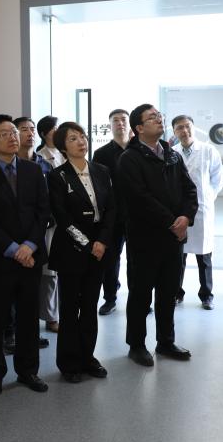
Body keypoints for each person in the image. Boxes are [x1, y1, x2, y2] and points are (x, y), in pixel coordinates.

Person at [0, 115, 51, 395]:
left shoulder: (33, 170)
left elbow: (43, 212)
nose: (12, 137)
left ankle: (28, 371)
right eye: (4, 134)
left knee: (29, 319)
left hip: (31, 257)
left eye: (14, 132)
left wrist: (30, 245)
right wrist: (15, 249)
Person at [118, 104, 198, 366]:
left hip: (173, 238)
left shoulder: (172, 155)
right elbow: (139, 198)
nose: (159, 119)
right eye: (151, 117)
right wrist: (172, 221)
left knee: (167, 292)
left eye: (159, 116)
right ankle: (136, 345)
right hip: (145, 238)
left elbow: (190, 190)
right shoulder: (130, 159)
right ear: (139, 128)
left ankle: (165, 341)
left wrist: (186, 217)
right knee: (140, 294)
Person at [47, 122, 115, 383]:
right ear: (63, 147)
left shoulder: (101, 170)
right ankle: (69, 362)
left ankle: (88, 357)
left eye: (82, 137)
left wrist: (103, 241)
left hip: (100, 248)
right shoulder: (57, 176)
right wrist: (88, 244)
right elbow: (62, 217)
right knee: (69, 308)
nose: (81, 141)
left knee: (89, 306)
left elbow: (111, 209)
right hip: (71, 250)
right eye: (73, 138)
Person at [170, 115, 223, 310]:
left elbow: (217, 180)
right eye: (179, 128)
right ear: (174, 132)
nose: (185, 131)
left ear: (194, 127)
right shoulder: (172, 153)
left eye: (188, 126)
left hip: (202, 211)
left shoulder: (208, 151)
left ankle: (206, 295)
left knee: (204, 257)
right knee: (179, 256)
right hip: (179, 212)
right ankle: (177, 292)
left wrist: (207, 198)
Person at [13, 115, 52, 351]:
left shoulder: (44, 165)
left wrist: (32, 243)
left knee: (34, 290)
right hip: (9, 243)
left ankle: (31, 333)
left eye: (32, 129)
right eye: (23, 129)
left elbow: (47, 206)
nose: (29, 133)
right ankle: (10, 334)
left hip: (37, 237)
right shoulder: (5, 166)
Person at [92, 108, 131, 315]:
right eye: (115, 120)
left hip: (137, 215)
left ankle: (140, 298)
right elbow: (99, 187)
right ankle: (110, 298)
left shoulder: (139, 149)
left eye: (123, 119)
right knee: (110, 259)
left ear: (130, 123)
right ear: (110, 125)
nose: (120, 123)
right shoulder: (101, 154)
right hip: (113, 216)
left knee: (138, 260)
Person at [35, 115, 63, 334]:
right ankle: (51, 317)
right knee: (51, 272)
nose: (58, 131)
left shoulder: (64, 152)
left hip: (68, 219)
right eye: (54, 128)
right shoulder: (40, 158)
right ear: (44, 133)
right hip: (52, 221)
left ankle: (62, 312)